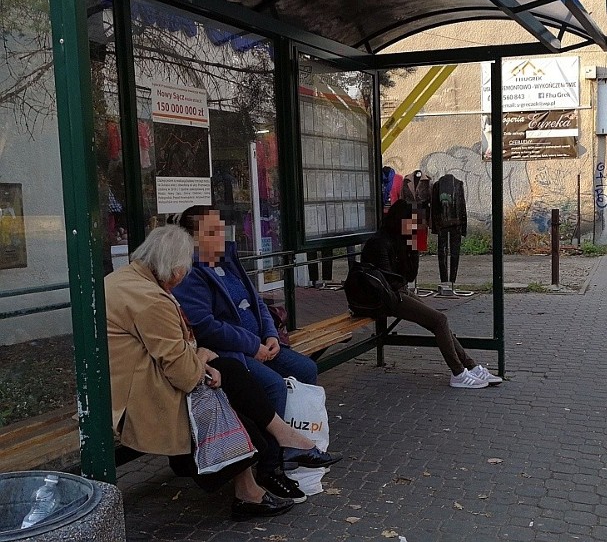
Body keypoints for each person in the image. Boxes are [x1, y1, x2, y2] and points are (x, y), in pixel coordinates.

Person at [105, 225, 339, 519]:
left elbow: (173, 349)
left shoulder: (132, 279)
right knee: (233, 413)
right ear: (172, 267)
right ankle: (252, 488)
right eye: (183, 270)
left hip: (136, 378)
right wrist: (202, 358)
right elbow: (184, 372)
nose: (184, 277)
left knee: (231, 373)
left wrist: (204, 357)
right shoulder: (152, 299)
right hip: (137, 396)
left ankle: (284, 440)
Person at [172, 207, 337, 471]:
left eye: (221, 228)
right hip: (230, 352)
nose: (220, 236)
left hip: (261, 344)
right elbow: (207, 327)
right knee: (274, 385)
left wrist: (270, 334)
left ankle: (302, 440)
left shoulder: (227, 260)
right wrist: (252, 346)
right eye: (211, 231)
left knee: (306, 368)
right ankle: (273, 459)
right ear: (192, 238)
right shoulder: (190, 272)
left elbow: (258, 302)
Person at [358, 200, 502, 389]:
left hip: (395, 292)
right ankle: (458, 373)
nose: (417, 227)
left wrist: (414, 247)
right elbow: (389, 281)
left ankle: (471, 367)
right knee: (439, 319)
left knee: (440, 322)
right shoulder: (379, 242)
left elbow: (409, 276)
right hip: (382, 298)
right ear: (401, 220)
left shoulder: (400, 239)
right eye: (413, 222)